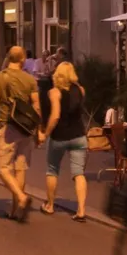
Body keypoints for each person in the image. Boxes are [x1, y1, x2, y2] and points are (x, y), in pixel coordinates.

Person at [0, 46, 43, 221]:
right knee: (20, 168)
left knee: (2, 168)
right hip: (26, 128)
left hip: (7, 125)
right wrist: (38, 130)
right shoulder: (30, 79)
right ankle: (15, 210)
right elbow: (36, 106)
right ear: (22, 60)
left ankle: (21, 197)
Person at [42, 62, 91, 220]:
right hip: (79, 136)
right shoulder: (81, 91)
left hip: (59, 137)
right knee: (79, 173)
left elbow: (55, 115)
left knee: (52, 170)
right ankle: (81, 210)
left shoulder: (54, 93)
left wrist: (45, 133)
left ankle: (49, 205)